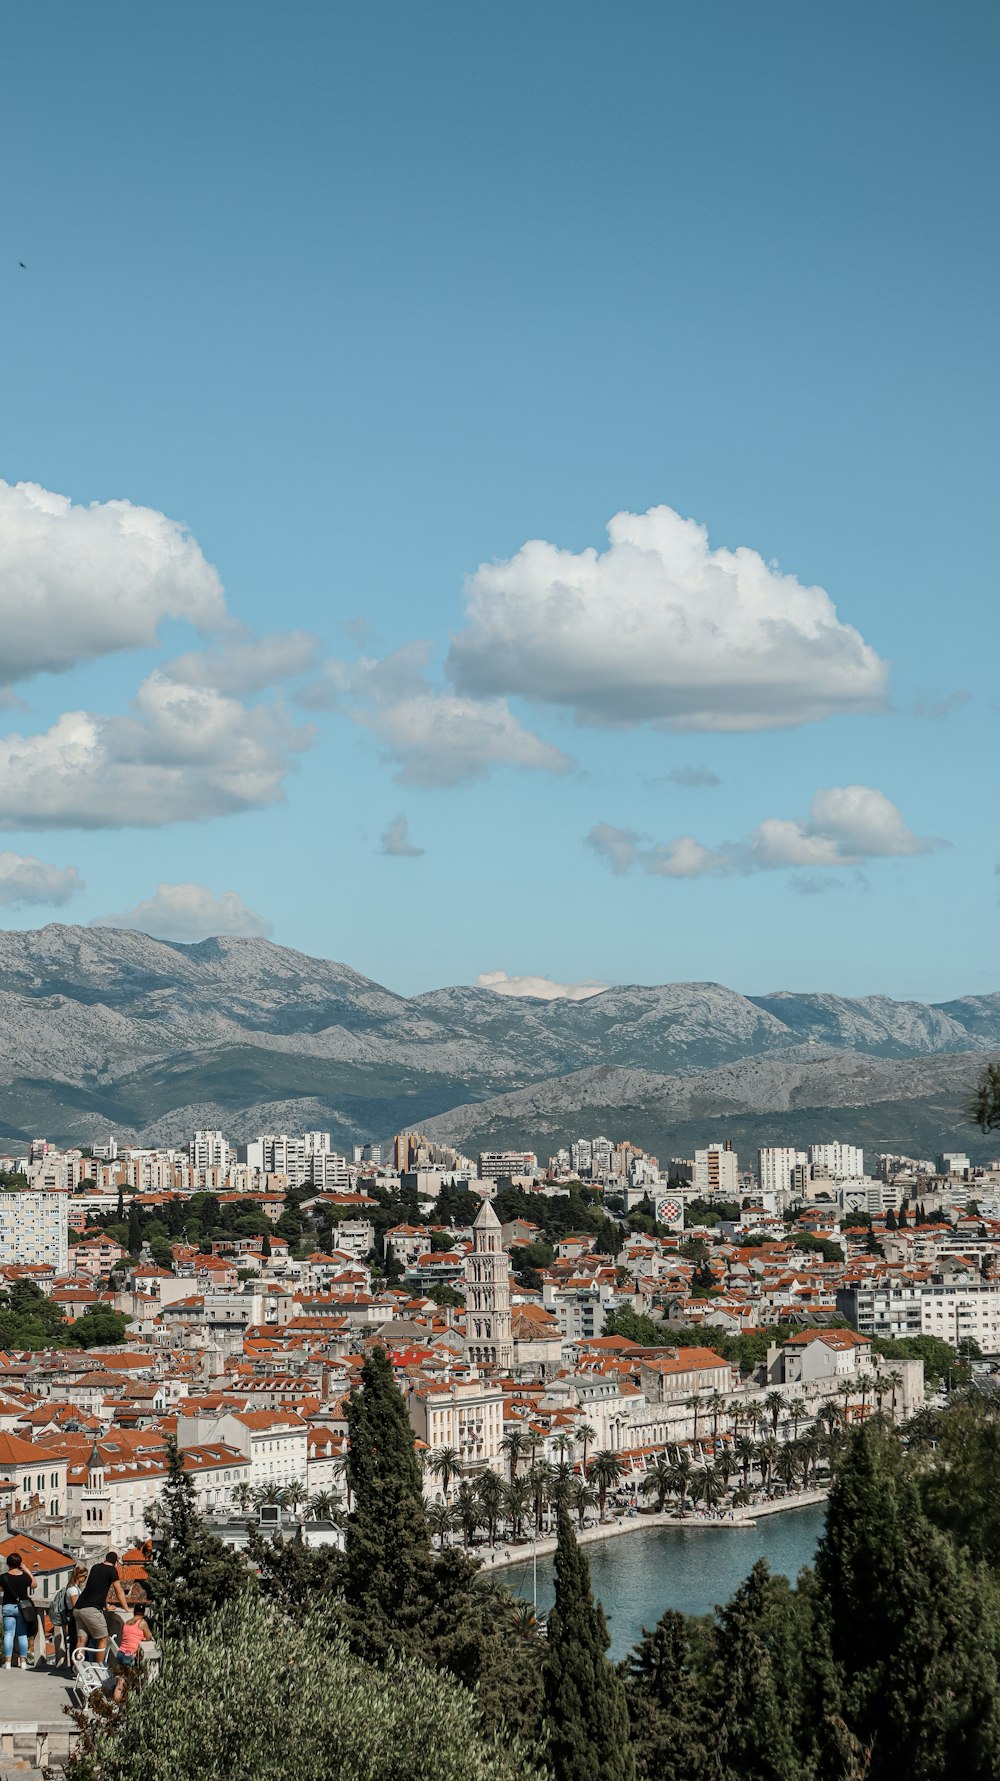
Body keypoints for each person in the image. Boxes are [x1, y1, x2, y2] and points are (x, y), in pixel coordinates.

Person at [73, 1552, 129, 1663]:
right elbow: (119, 1591)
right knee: (103, 1638)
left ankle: (79, 1669)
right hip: (91, 1609)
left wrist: (106, 1607)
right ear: (115, 1562)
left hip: (78, 1607)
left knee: (81, 1640)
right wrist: (126, 1609)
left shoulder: (95, 1567)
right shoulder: (112, 1571)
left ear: (105, 1559)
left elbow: (97, 1589)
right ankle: (99, 1668)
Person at [0, 1553, 35, 1670]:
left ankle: (8, 1662)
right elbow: (34, 1585)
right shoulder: (24, 1577)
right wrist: (27, 1570)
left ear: (7, 1564)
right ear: (20, 1563)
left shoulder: (3, 1577)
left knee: (8, 1634)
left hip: (8, 1607)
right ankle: (23, 1661)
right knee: (22, 1634)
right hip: (21, 1608)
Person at [110, 1609, 152, 1702]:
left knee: (120, 1681)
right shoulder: (142, 1623)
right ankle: (127, 1703)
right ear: (143, 1613)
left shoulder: (127, 1623)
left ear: (134, 1613)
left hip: (121, 1653)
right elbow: (149, 1636)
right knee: (131, 1681)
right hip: (130, 1655)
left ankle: (115, 1702)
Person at [52, 1565, 87, 1671]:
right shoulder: (73, 1590)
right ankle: (75, 1666)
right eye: (85, 1576)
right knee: (76, 1642)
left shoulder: (72, 1588)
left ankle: (74, 1666)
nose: (85, 1579)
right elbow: (76, 1604)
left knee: (74, 1641)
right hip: (74, 1618)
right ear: (80, 1577)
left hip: (73, 1618)